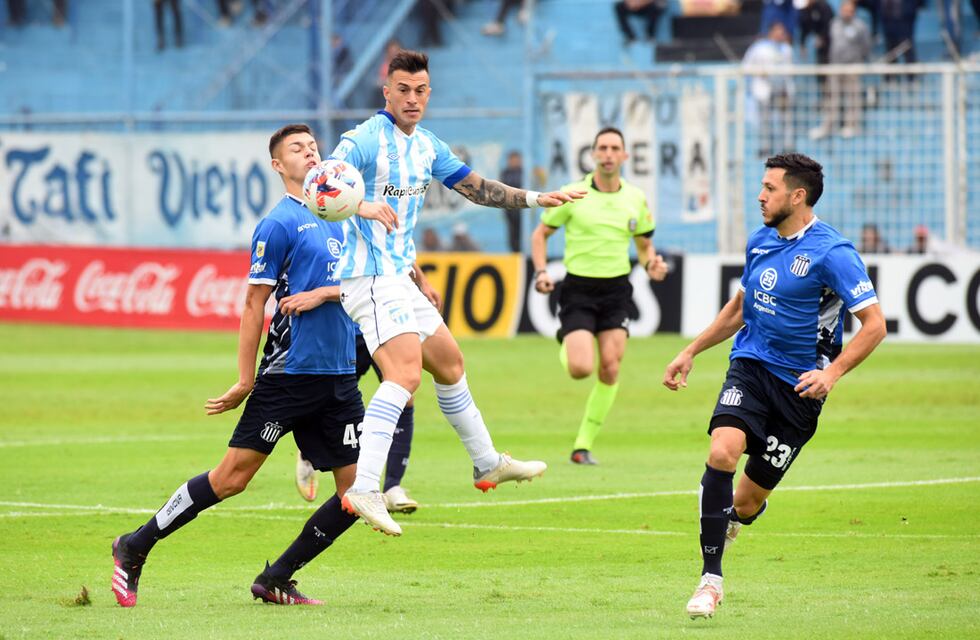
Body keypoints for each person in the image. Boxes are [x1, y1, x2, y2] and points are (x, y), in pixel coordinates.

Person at [328, 49, 585, 536]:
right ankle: (364, 486)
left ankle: (486, 462)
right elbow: (321, 182)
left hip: (400, 277)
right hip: (369, 276)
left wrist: (536, 198)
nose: (412, 98)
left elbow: (477, 188)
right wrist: (359, 204)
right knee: (404, 378)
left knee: (449, 363)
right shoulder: (363, 139)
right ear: (387, 91)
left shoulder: (426, 146)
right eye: (403, 89)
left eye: (420, 90)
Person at [110, 124, 367, 607]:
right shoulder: (279, 224)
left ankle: (276, 577)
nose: (309, 152)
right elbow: (254, 305)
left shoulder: (345, 215)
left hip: (340, 377)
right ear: (278, 166)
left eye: (313, 146)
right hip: (289, 376)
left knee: (356, 494)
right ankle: (134, 545)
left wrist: (329, 293)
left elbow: (362, 283)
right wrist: (246, 378)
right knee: (231, 479)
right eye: (297, 148)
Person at [663, 153, 886, 619]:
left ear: (797, 196)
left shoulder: (833, 254)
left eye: (769, 188)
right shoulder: (760, 242)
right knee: (722, 450)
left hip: (801, 391)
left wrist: (832, 373)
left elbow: (874, 325)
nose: (760, 196)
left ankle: (738, 518)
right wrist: (690, 351)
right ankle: (710, 581)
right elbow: (739, 308)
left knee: (744, 504)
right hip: (750, 366)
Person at [531, 127, 668, 465]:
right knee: (580, 368)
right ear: (593, 154)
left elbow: (644, 245)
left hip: (616, 291)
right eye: (602, 148)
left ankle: (583, 446)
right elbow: (540, 234)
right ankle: (567, 336)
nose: (608, 153)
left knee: (609, 368)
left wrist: (652, 264)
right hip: (578, 289)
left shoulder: (635, 197)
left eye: (614, 148)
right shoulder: (573, 193)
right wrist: (542, 272)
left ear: (624, 156)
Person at [297, 265, 444, 515]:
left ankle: (393, 487)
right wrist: (323, 293)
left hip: (385, 322)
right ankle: (308, 453)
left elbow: (398, 245)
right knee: (328, 396)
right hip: (350, 326)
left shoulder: (380, 228)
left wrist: (422, 281)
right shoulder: (342, 229)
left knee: (405, 394)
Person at [809, 0, 872, 140]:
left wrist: (859, 61)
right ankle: (828, 127)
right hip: (835, 65)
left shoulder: (860, 26)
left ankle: (852, 126)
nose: (847, 13)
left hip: (852, 67)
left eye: (850, 10)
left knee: (853, 98)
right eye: (845, 9)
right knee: (832, 98)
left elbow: (866, 46)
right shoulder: (834, 24)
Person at [743, 23, 796, 157]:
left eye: (782, 32)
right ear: (770, 32)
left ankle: (788, 147)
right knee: (764, 119)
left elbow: (791, 69)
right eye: (777, 31)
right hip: (764, 88)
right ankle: (765, 147)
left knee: (786, 119)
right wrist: (759, 73)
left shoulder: (787, 49)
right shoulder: (758, 48)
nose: (779, 34)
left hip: (782, 89)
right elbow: (746, 66)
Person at [500, 150, 524, 253]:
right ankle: (515, 253)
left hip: (522, 208)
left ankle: (524, 252)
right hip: (510, 209)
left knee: (522, 231)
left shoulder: (524, 173)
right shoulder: (505, 173)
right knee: (512, 233)